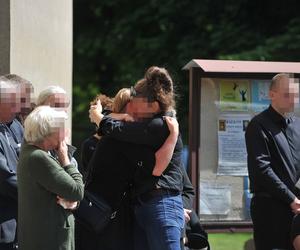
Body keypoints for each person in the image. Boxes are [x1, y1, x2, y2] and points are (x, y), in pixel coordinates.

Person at [92, 66, 185, 250]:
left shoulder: (159, 125)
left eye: (137, 101)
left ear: (154, 106)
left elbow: (117, 129)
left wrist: (99, 118)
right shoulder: (153, 125)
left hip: (162, 204)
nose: (133, 104)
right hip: (148, 205)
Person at [245, 73, 300, 250]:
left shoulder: (298, 125)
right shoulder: (258, 125)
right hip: (270, 209)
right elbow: (262, 169)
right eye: (287, 94)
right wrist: (291, 198)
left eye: (295, 94)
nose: (292, 99)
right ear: (272, 94)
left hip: (296, 209)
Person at [17, 106, 84, 250]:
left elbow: (70, 195)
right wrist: (65, 159)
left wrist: (72, 201)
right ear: (47, 132)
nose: (64, 134)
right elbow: (77, 190)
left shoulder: (32, 152)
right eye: (61, 129)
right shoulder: (38, 157)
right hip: (48, 240)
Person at [0, 78, 23, 250]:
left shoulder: (15, 126)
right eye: (12, 103)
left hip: (19, 225)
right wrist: (42, 194)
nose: (18, 108)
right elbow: (6, 179)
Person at [36, 85, 77, 168]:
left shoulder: (62, 141)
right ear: (39, 107)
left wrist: (65, 149)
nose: (60, 111)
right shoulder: (31, 137)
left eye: (64, 107)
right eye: (56, 106)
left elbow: (74, 178)